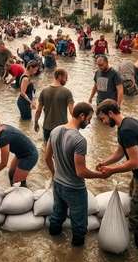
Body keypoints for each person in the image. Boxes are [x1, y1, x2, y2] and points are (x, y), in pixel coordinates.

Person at [96, 100, 138, 248]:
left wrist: (111, 171)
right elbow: (120, 153)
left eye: (103, 118)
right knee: (136, 205)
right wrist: (105, 163)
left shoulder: (126, 130)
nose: (104, 122)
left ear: (111, 113)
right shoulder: (126, 124)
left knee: (136, 218)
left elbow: (135, 163)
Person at [45, 102, 104, 247]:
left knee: (57, 215)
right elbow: (81, 171)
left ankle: (54, 248)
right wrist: (100, 175)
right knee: (79, 225)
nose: (89, 122)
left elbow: (47, 158)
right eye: (89, 118)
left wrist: (55, 174)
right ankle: (76, 255)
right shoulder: (79, 140)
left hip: (58, 184)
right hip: (74, 188)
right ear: (82, 116)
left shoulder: (55, 130)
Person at [0, 113, 38, 187]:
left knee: (16, 183)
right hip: (20, 154)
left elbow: (3, 164)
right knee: (11, 173)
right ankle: (19, 186)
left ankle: (23, 191)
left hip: (30, 156)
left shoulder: (4, 138)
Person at [34, 68, 74, 142]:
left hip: (47, 127)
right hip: (61, 128)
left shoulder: (44, 91)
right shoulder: (67, 92)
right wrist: (75, 126)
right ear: (59, 76)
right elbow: (72, 112)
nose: (66, 80)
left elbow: (38, 110)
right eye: (66, 77)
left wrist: (36, 123)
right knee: (59, 151)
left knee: (47, 149)